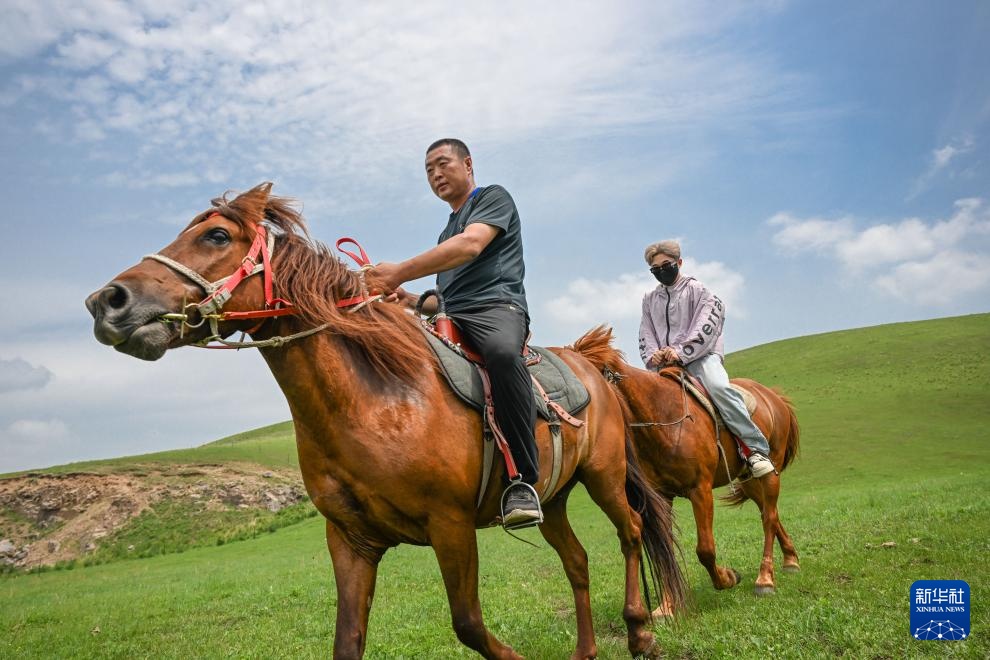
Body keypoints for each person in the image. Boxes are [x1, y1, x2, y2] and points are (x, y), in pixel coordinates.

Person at [370, 138, 542, 526]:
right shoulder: (445, 232)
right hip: (453, 317)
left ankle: (522, 480)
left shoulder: (493, 198)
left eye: (442, 164)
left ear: (467, 164)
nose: (435, 174)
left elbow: (471, 246)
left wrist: (398, 272)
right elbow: (445, 299)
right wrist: (406, 298)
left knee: (502, 355)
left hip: (497, 308)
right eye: (428, 170)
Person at [638, 240, 775, 478]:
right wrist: (653, 354)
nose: (661, 271)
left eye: (666, 265)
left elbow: (707, 326)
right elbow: (645, 330)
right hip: (664, 364)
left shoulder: (700, 291)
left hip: (700, 358)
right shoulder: (649, 299)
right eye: (655, 269)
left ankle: (755, 449)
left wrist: (680, 351)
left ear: (679, 263)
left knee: (719, 388)